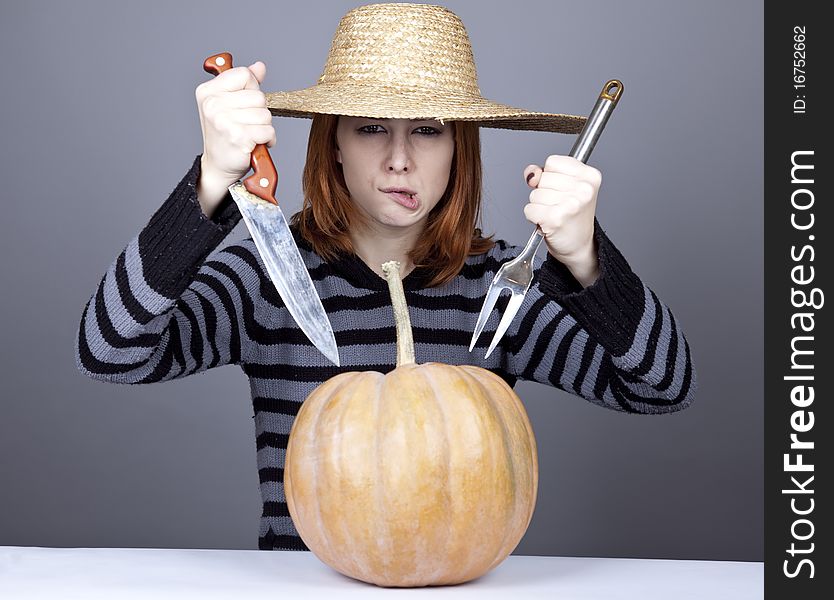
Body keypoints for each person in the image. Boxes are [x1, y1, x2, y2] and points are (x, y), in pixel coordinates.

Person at [75, 3, 696, 551]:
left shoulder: (501, 287)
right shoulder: (267, 279)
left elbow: (661, 386)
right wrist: (210, 181)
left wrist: (585, 259)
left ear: (461, 149)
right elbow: (110, 351)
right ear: (334, 143)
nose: (400, 158)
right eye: (371, 127)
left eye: (428, 130)